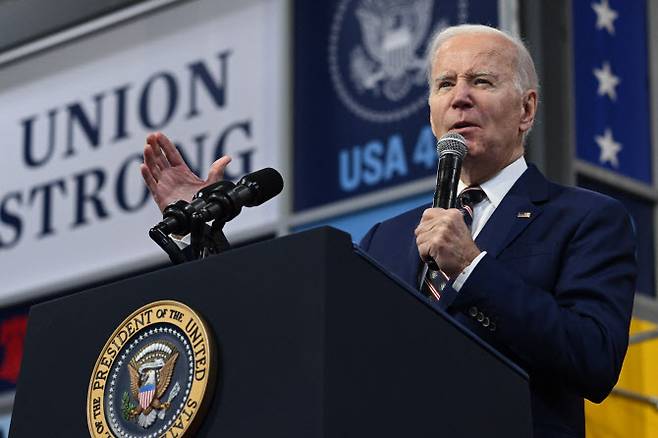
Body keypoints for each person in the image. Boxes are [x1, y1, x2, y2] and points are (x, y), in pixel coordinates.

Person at [141, 24, 636, 438]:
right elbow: (306, 347)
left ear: (526, 109)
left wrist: (471, 267)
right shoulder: (385, 240)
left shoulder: (585, 218)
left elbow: (592, 359)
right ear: (430, 113)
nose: (460, 97)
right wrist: (203, 238)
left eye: (481, 81)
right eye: (445, 85)